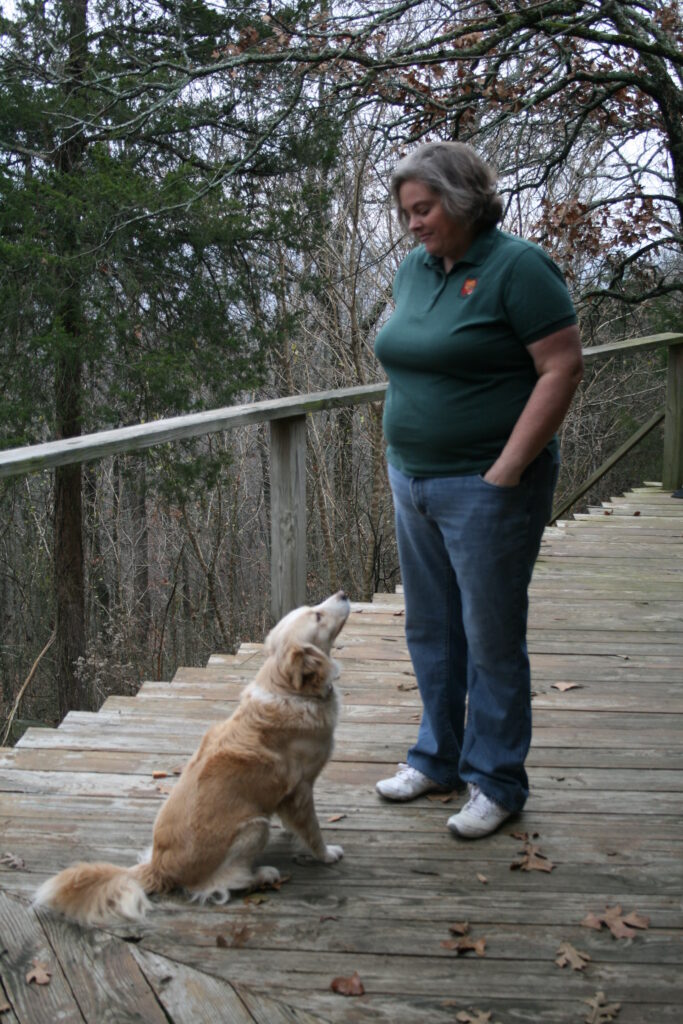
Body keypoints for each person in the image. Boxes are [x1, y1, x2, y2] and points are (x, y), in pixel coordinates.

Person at [373, 141, 583, 838]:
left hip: (488, 484)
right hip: (413, 477)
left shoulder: (517, 268)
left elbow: (560, 366)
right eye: (406, 212)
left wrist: (507, 468)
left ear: (461, 201)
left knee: (489, 637)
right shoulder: (414, 268)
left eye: (423, 208)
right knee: (429, 628)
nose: (412, 223)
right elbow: (412, 355)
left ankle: (494, 780)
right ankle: (437, 757)